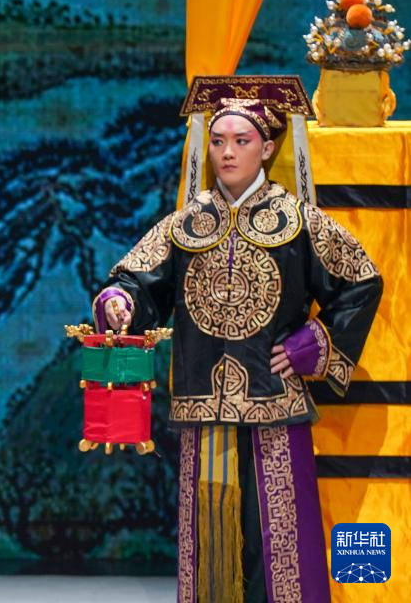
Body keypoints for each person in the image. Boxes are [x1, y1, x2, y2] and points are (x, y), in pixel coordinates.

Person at [93, 83, 382, 603]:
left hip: (275, 403)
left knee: (280, 542)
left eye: (241, 141)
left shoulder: (298, 221)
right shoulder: (187, 223)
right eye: (218, 141)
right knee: (211, 542)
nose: (226, 152)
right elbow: (136, 281)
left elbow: (361, 281)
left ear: (267, 147)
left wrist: (313, 343)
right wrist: (120, 302)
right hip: (204, 404)